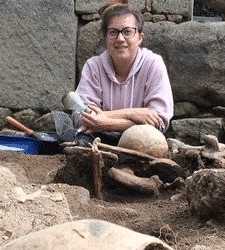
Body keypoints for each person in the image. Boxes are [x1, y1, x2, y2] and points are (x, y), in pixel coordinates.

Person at [73, 0, 174, 146]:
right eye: (113, 32)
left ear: (140, 37)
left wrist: (106, 122)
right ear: (105, 37)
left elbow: (159, 122)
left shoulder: (153, 64)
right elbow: (80, 116)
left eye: (127, 32)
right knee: (80, 144)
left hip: (139, 139)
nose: (120, 39)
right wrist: (132, 114)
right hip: (98, 137)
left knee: (152, 142)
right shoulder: (94, 66)